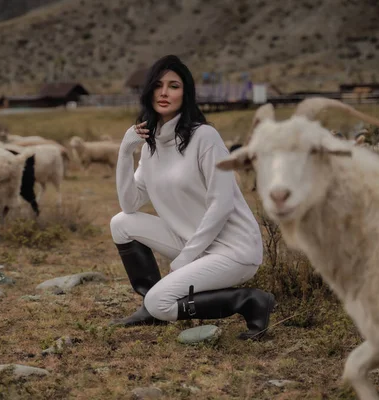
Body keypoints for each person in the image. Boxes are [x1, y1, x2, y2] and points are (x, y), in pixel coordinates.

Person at [109, 55, 275, 340]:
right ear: (148, 91)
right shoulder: (150, 146)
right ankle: (150, 306)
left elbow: (221, 205)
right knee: (121, 222)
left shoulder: (205, 137)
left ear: (185, 94)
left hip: (233, 249)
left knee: (162, 302)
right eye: (158, 85)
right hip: (193, 241)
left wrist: (186, 258)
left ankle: (250, 301)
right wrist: (125, 153)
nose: (164, 92)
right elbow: (130, 204)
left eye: (173, 86)